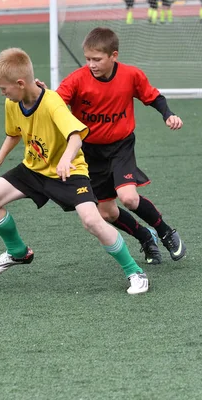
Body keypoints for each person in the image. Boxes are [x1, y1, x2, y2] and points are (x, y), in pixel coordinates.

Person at [0, 48, 149, 295]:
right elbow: (14, 132)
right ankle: (18, 252)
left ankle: (135, 272)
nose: (2, 93)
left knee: (92, 220)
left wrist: (67, 159)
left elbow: (76, 137)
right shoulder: (12, 103)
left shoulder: (52, 103)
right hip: (34, 169)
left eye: (4, 88)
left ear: (20, 83)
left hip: (69, 172)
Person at [39, 27, 186, 265]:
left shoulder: (131, 75)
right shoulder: (77, 79)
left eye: (97, 59)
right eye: (88, 59)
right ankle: (144, 236)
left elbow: (154, 97)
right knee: (106, 212)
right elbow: (54, 103)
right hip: (89, 152)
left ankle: (166, 232)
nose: (91, 64)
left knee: (128, 198)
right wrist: (41, 93)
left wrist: (168, 115)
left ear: (113, 56)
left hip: (120, 146)